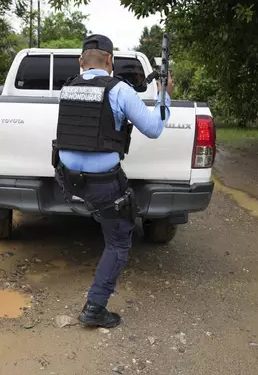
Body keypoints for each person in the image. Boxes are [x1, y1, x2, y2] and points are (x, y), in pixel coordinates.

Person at [52, 34, 174, 328]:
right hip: (102, 185)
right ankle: (95, 307)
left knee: (108, 213)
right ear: (110, 61)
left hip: (67, 181)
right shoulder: (119, 90)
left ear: (81, 62)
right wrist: (164, 93)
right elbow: (154, 128)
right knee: (119, 240)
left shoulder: (68, 88)